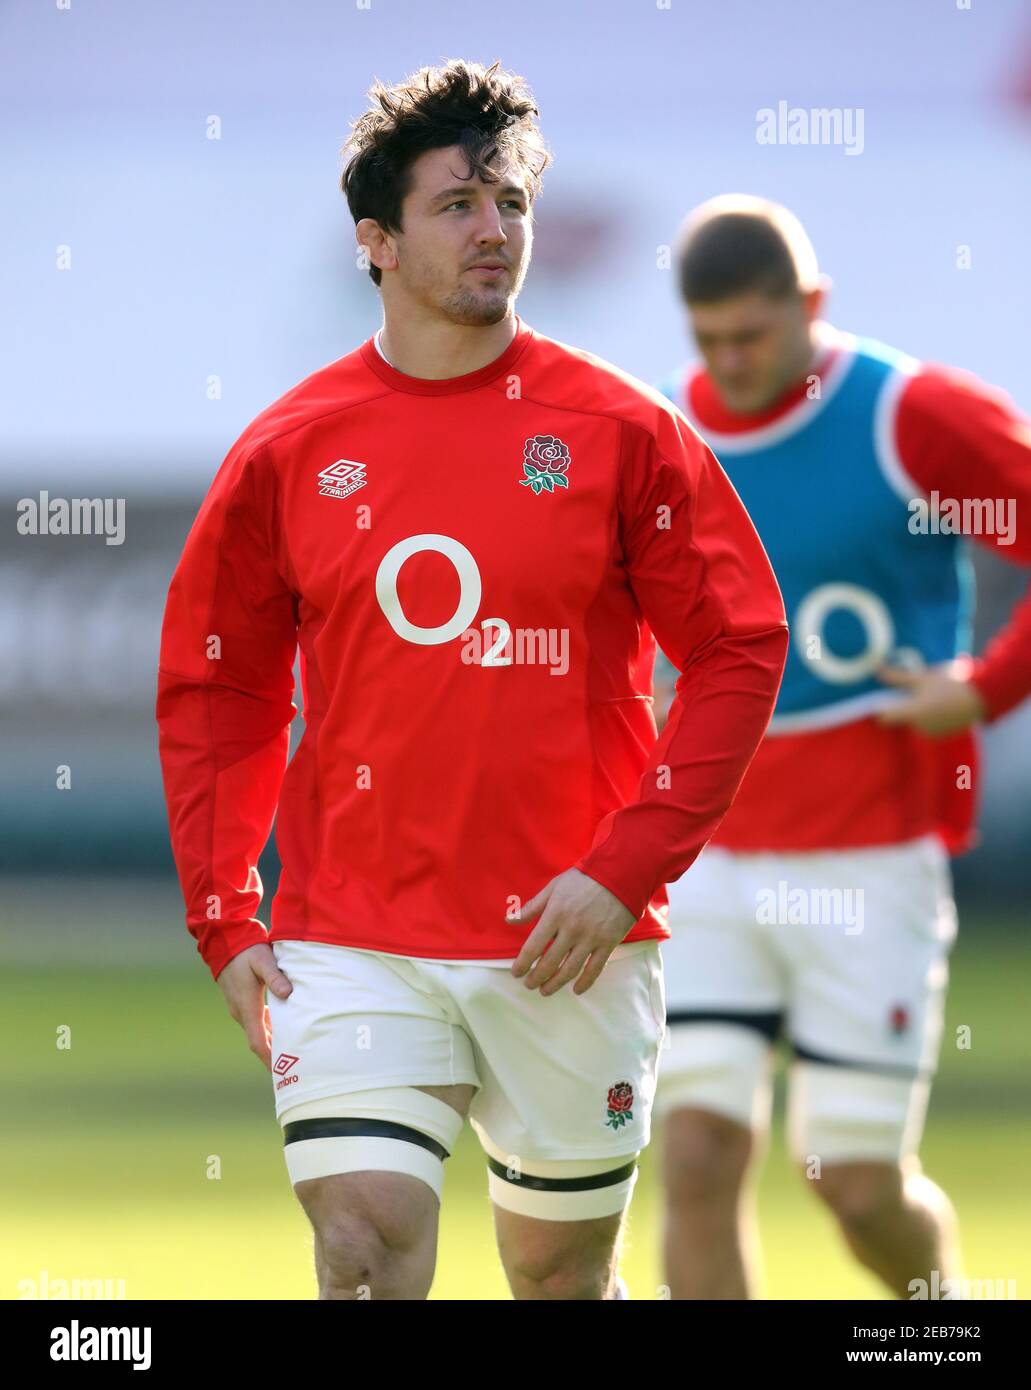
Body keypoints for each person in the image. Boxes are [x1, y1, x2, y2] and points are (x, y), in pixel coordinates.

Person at [155, 67, 787, 1301]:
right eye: (456, 205)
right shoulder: (290, 448)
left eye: (508, 199)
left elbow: (737, 647)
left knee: (557, 1278)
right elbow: (217, 686)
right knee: (361, 1248)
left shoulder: (620, 430)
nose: (493, 228)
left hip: (568, 937)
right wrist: (225, 909)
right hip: (351, 935)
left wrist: (623, 869)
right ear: (376, 242)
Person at [653, 194, 1031, 1299]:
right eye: (706, 339)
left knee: (856, 1184)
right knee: (693, 1150)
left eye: (751, 336)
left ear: (809, 304)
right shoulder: (665, 432)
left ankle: (940, 1315)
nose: (728, 362)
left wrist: (984, 688)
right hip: (708, 855)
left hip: (869, 856)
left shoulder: (907, 416)